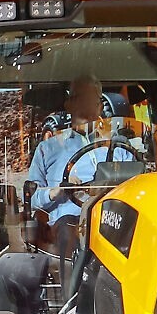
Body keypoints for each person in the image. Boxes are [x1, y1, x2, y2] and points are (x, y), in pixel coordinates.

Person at [24, 76, 111, 259]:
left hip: (111, 221)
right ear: (68, 104)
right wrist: (55, 192)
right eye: (81, 98)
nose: (86, 104)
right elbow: (30, 198)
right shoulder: (48, 148)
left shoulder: (118, 148)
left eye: (91, 99)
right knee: (67, 231)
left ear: (100, 106)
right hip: (68, 227)